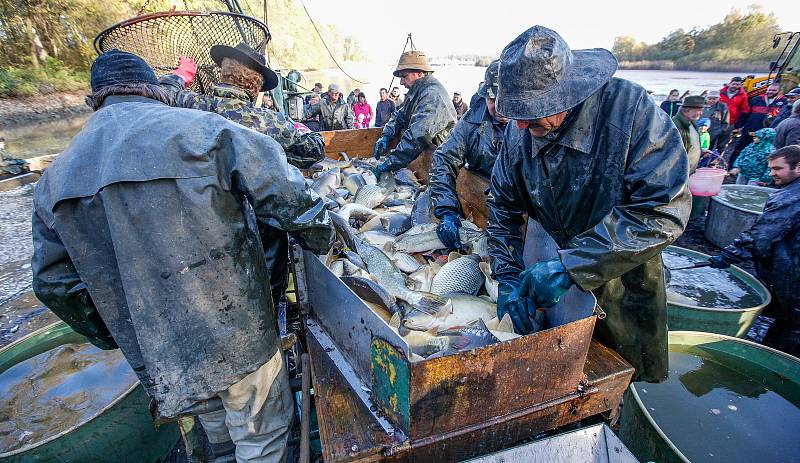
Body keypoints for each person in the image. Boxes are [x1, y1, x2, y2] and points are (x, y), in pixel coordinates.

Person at [31, 50, 334, 462]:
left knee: (216, 432)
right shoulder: (207, 131)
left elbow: (54, 284)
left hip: (165, 347)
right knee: (260, 435)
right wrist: (325, 239)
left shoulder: (54, 179)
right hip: (238, 329)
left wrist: (117, 332)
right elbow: (289, 194)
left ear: (95, 99)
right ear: (155, 91)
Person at [489, 26, 690, 383]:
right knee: (556, 371)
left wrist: (572, 266)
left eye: (532, 114)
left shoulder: (630, 110)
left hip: (626, 272)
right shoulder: (520, 131)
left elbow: (663, 211)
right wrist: (505, 276)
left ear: (569, 96)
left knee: (620, 372)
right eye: (516, 114)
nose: (519, 125)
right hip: (554, 260)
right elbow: (502, 208)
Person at [159, 43, 325, 170]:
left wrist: (181, 75)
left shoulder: (190, 103)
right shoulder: (271, 121)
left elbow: (163, 91)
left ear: (223, 72)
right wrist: (299, 127)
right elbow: (315, 150)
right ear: (256, 86)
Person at [708, 146, 800, 357]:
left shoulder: (791, 197)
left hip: (794, 275)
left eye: (778, 169)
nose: (772, 173)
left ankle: (776, 364)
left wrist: (730, 255)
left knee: (790, 328)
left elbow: (762, 235)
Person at [430, 60, 509, 249]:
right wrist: (447, 210)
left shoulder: (533, 124)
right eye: (492, 99)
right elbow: (444, 158)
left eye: (504, 100)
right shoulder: (471, 121)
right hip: (479, 200)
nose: (498, 106)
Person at [372, 50, 457, 177]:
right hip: (425, 154)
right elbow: (399, 115)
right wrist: (386, 135)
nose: (401, 82)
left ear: (419, 73)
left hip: (444, 161)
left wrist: (389, 163)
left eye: (404, 76)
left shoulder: (432, 94)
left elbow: (417, 136)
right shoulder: (417, 91)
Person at [730, 82, 787, 167]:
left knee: (762, 151)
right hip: (750, 129)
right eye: (769, 90)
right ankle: (732, 166)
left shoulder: (784, 101)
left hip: (767, 133)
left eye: (774, 90)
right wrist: (738, 126)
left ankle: (755, 168)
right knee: (741, 148)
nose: (770, 92)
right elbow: (745, 113)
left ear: (779, 91)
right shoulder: (756, 99)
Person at [673, 95, 705, 172]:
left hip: (688, 172)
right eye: (698, 110)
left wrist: (701, 150)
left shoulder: (691, 123)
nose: (701, 113)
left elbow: (690, 143)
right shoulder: (676, 125)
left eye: (702, 110)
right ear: (686, 110)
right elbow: (673, 153)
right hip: (679, 173)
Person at [719, 76, 750, 154]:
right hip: (718, 120)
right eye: (734, 84)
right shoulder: (720, 92)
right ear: (729, 84)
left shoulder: (743, 95)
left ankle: (717, 158)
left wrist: (739, 124)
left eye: (738, 85)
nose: (735, 86)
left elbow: (744, 110)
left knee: (724, 142)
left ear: (740, 86)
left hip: (731, 122)